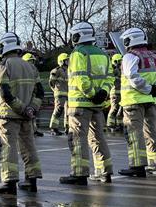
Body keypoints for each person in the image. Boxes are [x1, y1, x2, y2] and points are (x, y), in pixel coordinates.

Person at [59, 22, 114, 185]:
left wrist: (92, 94)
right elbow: (110, 77)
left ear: (77, 36)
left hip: (80, 105)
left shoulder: (77, 53)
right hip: (97, 105)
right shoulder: (103, 54)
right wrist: (102, 93)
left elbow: (80, 78)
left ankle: (79, 173)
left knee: (77, 138)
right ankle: (104, 171)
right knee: (98, 138)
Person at [0, 32, 44, 195]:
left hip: (8, 115)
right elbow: (40, 92)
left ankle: (8, 181)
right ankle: (31, 180)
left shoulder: (3, 66)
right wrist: (31, 109)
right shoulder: (30, 66)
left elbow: (4, 92)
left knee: (8, 147)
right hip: (27, 116)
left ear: (3, 47)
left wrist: (21, 108)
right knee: (29, 146)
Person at [117, 28, 156, 178]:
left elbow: (133, 76)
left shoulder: (130, 56)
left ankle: (137, 165)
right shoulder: (155, 56)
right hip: (150, 101)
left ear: (129, 41)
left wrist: (147, 88)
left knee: (134, 133)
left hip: (133, 101)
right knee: (151, 132)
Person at [48, 53, 69, 136]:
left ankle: (68, 127)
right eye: (66, 60)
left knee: (68, 112)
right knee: (59, 110)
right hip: (60, 93)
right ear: (62, 61)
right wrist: (55, 90)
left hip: (68, 94)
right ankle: (53, 128)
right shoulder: (57, 70)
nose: (68, 62)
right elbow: (51, 82)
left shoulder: (68, 70)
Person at [107, 54, 124, 132]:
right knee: (114, 109)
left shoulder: (121, 70)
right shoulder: (113, 70)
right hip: (114, 93)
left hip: (121, 93)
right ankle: (110, 125)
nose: (121, 62)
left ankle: (119, 124)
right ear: (115, 62)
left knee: (121, 110)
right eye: (120, 61)